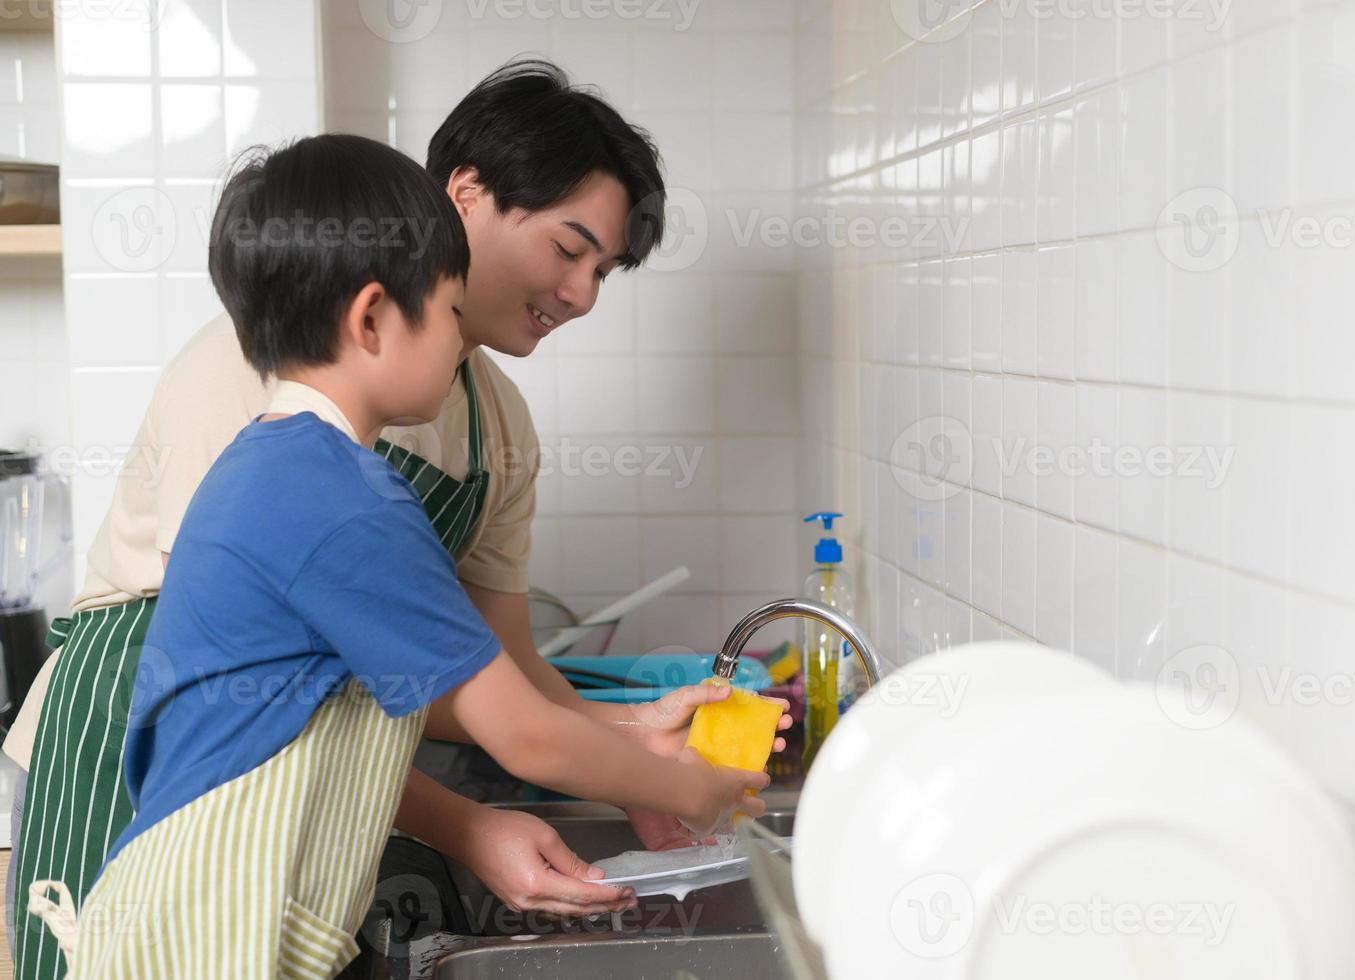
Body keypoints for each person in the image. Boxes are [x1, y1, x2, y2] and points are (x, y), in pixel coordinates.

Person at [7, 59, 788, 979]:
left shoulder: (485, 427)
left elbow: (489, 670)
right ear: (465, 197)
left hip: (286, 817)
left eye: (603, 271)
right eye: (570, 250)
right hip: (146, 755)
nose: (581, 294)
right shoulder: (284, 409)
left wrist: (623, 745)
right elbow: (463, 705)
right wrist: (675, 781)